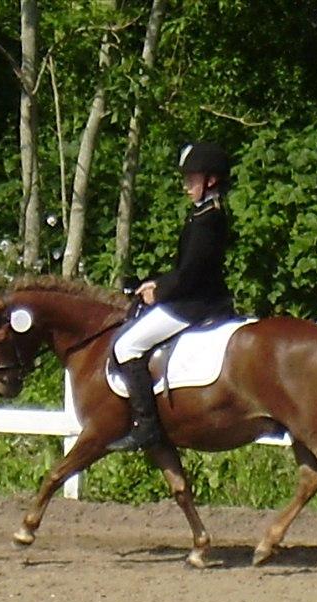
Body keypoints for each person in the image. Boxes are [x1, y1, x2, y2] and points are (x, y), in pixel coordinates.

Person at [108, 141, 235, 452]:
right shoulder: (203, 213)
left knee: (127, 346)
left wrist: (160, 292)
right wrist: (153, 283)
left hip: (195, 304)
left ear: (211, 181)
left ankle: (147, 428)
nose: (186, 185)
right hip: (195, 297)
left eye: (192, 179)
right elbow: (186, 267)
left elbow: (191, 274)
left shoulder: (208, 220)